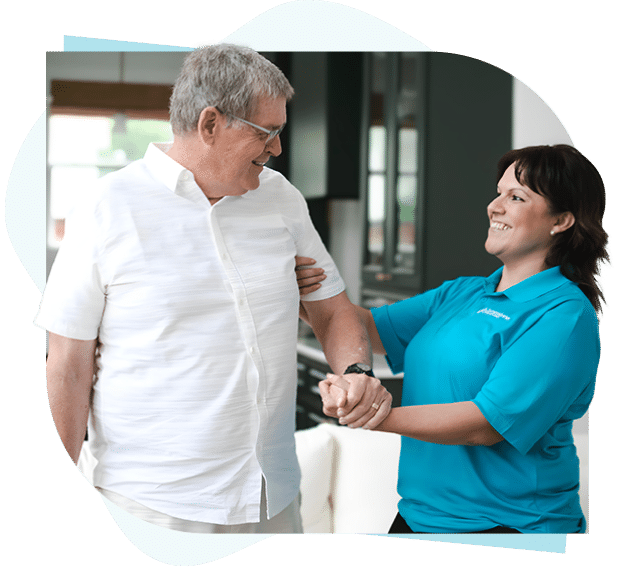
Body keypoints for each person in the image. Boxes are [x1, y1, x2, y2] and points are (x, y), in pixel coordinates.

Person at [35, 44, 390, 534]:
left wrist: (355, 371)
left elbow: (331, 310)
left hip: (274, 497)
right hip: (151, 505)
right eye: (269, 132)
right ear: (210, 124)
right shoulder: (107, 206)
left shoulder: (281, 198)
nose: (279, 149)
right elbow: (69, 365)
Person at [303, 144, 608, 533]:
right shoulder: (464, 293)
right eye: (499, 192)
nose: (494, 206)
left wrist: (372, 415)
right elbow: (364, 326)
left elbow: (486, 423)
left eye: (516, 197)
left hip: (508, 527)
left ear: (562, 220)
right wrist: (295, 290)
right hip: (418, 514)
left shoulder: (563, 316)